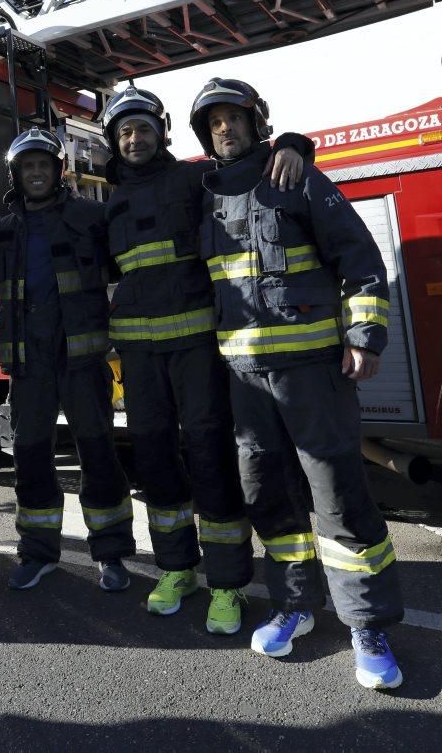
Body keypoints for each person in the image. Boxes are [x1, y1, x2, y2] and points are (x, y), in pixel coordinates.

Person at [190, 78, 404, 690]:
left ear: (258, 122)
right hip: (244, 384)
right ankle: (297, 605)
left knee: (338, 498)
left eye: (235, 118)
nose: (224, 129)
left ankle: (367, 623)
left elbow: (361, 259)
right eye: (214, 122)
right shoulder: (203, 198)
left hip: (312, 377)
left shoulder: (296, 178)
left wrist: (364, 335)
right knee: (270, 500)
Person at [102, 85, 310, 635]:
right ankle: (175, 570)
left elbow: (249, 169)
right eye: (124, 132)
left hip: (196, 346)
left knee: (209, 454)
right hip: (139, 355)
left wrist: (292, 142)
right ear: (112, 142)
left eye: (143, 128)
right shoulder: (108, 201)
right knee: (152, 458)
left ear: (162, 133)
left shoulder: (196, 178)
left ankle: (227, 583)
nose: (135, 139)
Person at [0, 127, 135, 592]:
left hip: (82, 359)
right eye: (27, 166)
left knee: (97, 453)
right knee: (31, 457)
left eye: (43, 165)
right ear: (16, 174)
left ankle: (111, 554)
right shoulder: (3, 229)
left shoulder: (92, 217)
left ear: (58, 171)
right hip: (28, 362)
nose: (36, 173)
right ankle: (37, 553)